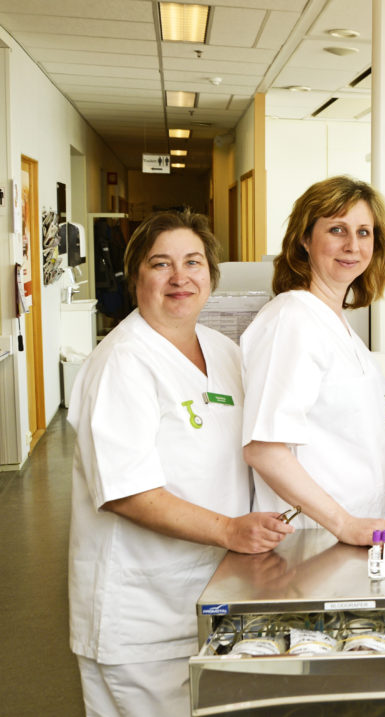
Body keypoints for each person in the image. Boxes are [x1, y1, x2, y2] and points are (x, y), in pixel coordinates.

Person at [68, 210, 293, 716]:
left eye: (193, 262)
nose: (179, 277)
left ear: (211, 275)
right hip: (141, 614)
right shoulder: (123, 361)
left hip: (208, 598)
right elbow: (128, 492)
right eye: (160, 264)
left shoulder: (223, 351)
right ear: (136, 278)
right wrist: (232, 531)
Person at [242, 176, 385, 546]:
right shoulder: (292, 319)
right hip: (314, 540)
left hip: (355, 535)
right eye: (337, 229)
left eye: (364, 232)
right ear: (304, 238)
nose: (352, 245)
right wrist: (344, 523)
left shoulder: (337, 324)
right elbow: (264, 449)